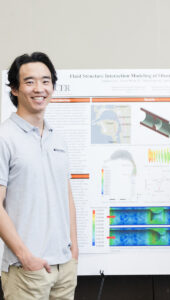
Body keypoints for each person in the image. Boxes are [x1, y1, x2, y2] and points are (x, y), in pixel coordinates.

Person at [0, 52, 79, 299]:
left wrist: (73, 251)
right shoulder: (5, 137)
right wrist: (25, 256)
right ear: (14, 89)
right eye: (30, 81)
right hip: (27, 270)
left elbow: (65, 194)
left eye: (46, 81)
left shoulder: (58, 138)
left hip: (64, 268)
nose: (39, 88)